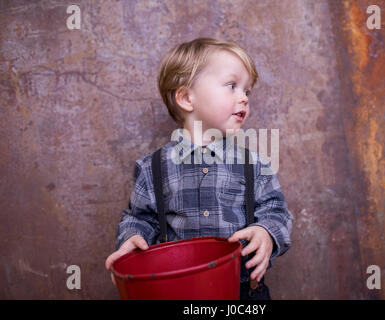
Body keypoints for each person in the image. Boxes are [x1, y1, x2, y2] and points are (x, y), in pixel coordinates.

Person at [105, 37, 293, 300]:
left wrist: (266, 233)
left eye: (247, 91)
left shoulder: (255, 165)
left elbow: (276, 211)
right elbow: (139, 217)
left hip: (240, 293)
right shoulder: (152, 168)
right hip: (175, 292)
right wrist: (131, 237)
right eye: (232, 86)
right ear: (186, 97)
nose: (244, 98)